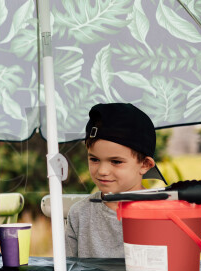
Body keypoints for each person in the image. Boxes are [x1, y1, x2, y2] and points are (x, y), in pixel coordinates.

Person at [65, 102, 166, 260]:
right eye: (94, 159)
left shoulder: (165, 215)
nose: (102, 171)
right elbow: (67, 270)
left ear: (145, 164)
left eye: (116, 162)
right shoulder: (79, 214)